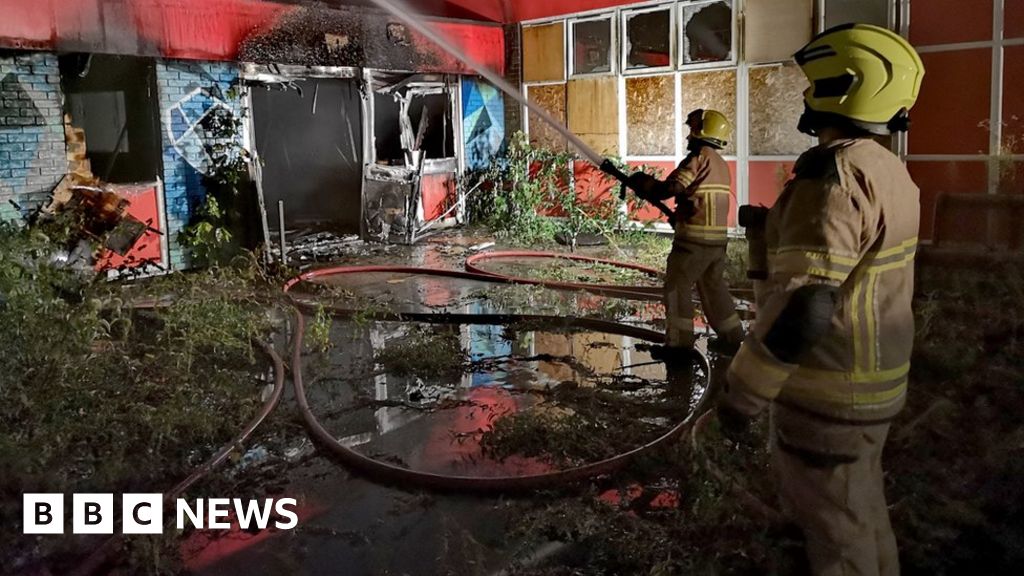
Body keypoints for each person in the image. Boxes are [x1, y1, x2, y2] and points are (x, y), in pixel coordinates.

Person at [719, 23, 925, 576]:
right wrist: (770, 236)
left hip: (829, 396)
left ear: (840, 85)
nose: (804, 92)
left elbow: (807, 305)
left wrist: (740, 398)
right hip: (872, 389)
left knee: (837, 541)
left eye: (813, 81)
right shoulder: (887, 170)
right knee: (861, 517)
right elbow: (849, 267)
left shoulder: (830, 178)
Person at [628, 108, 745, 361]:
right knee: (714, 288)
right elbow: (698, 199)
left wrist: (643, 182)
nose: (688, 136)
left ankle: (679, 346)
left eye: (691, 130)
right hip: (716, 242)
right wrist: (679, 215)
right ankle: (733, 339)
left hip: (693, 243)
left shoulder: (698, 158)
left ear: (700, 133)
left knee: (676, 287)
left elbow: (672, 188)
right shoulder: (720, 164)